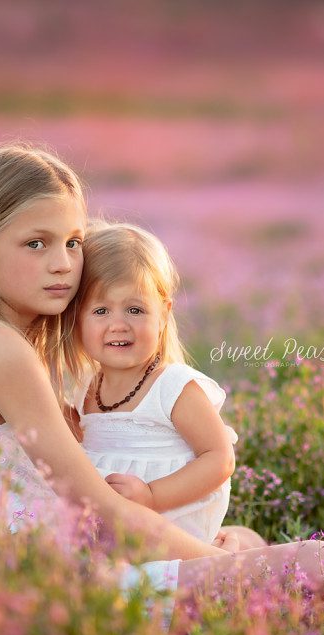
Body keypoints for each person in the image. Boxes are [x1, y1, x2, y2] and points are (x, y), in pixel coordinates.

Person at [0, 142, 324, 630]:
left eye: (73, 242)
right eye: (36, 244)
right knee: (319, 564)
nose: (63, 264)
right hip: (49, 597)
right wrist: (213, 563)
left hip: (13, 578)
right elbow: (102, 509)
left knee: (247, 537)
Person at [72, 221, 266, 550]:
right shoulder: (83, 390)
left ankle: (247, 547)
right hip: (113, 538)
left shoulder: (172, 387)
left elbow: (219, 458)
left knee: (234, 555)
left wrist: (151, 496)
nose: (118, 325)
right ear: (76, 317)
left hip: (176, 532)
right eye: (101, 310)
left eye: (135, 310)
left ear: (163, 314)